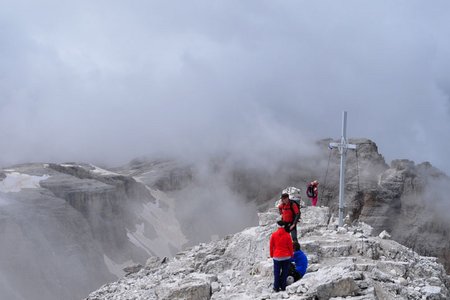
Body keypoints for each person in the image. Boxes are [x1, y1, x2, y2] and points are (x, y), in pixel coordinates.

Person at [270, 220, 294, 292]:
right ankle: (283, 286)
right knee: (284, 272)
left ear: (277, 226)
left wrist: (272, 255)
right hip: (286, 256)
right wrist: (291, 255)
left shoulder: (274, 235)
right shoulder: (287, 235)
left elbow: (271, 246)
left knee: (276, 272)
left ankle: (276, 287)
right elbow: (290, 246)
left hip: (277, 256)